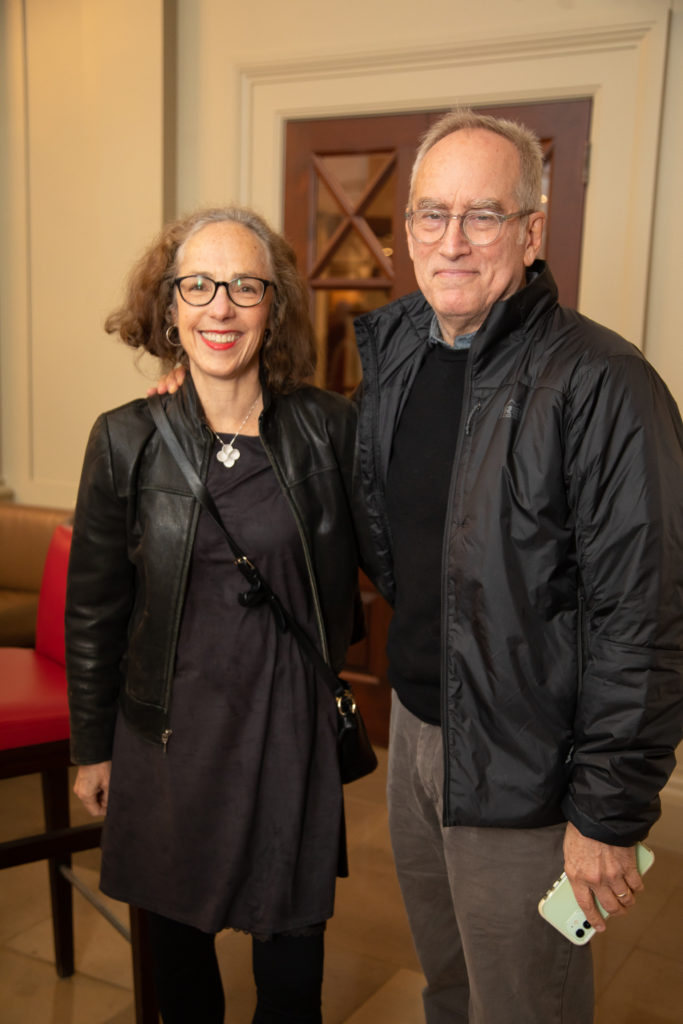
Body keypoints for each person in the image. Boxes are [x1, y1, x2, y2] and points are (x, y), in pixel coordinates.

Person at [348, 108, 683, 1023]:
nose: (451, 241)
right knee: (449, 988)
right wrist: (199, 398)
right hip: (415, 736)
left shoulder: (604, 384)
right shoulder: (394, 362)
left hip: (528, 766)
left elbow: (644, 616)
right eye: (430, 214)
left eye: (483, 215)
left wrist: (608, 812)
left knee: (523, 1006)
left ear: (531, 233)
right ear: (408, 228)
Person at [65, 206, 362, 1024]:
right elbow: (93, 608)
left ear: (275, 308)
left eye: (243, 287)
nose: (219, 307)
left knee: (293, 984)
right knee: (182, 978)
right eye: (197, 285)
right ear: (168, 307)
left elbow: (399, 550)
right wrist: (93, 748)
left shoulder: (329, 430)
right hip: (167, 741)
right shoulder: (125, 440)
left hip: (286, 734)